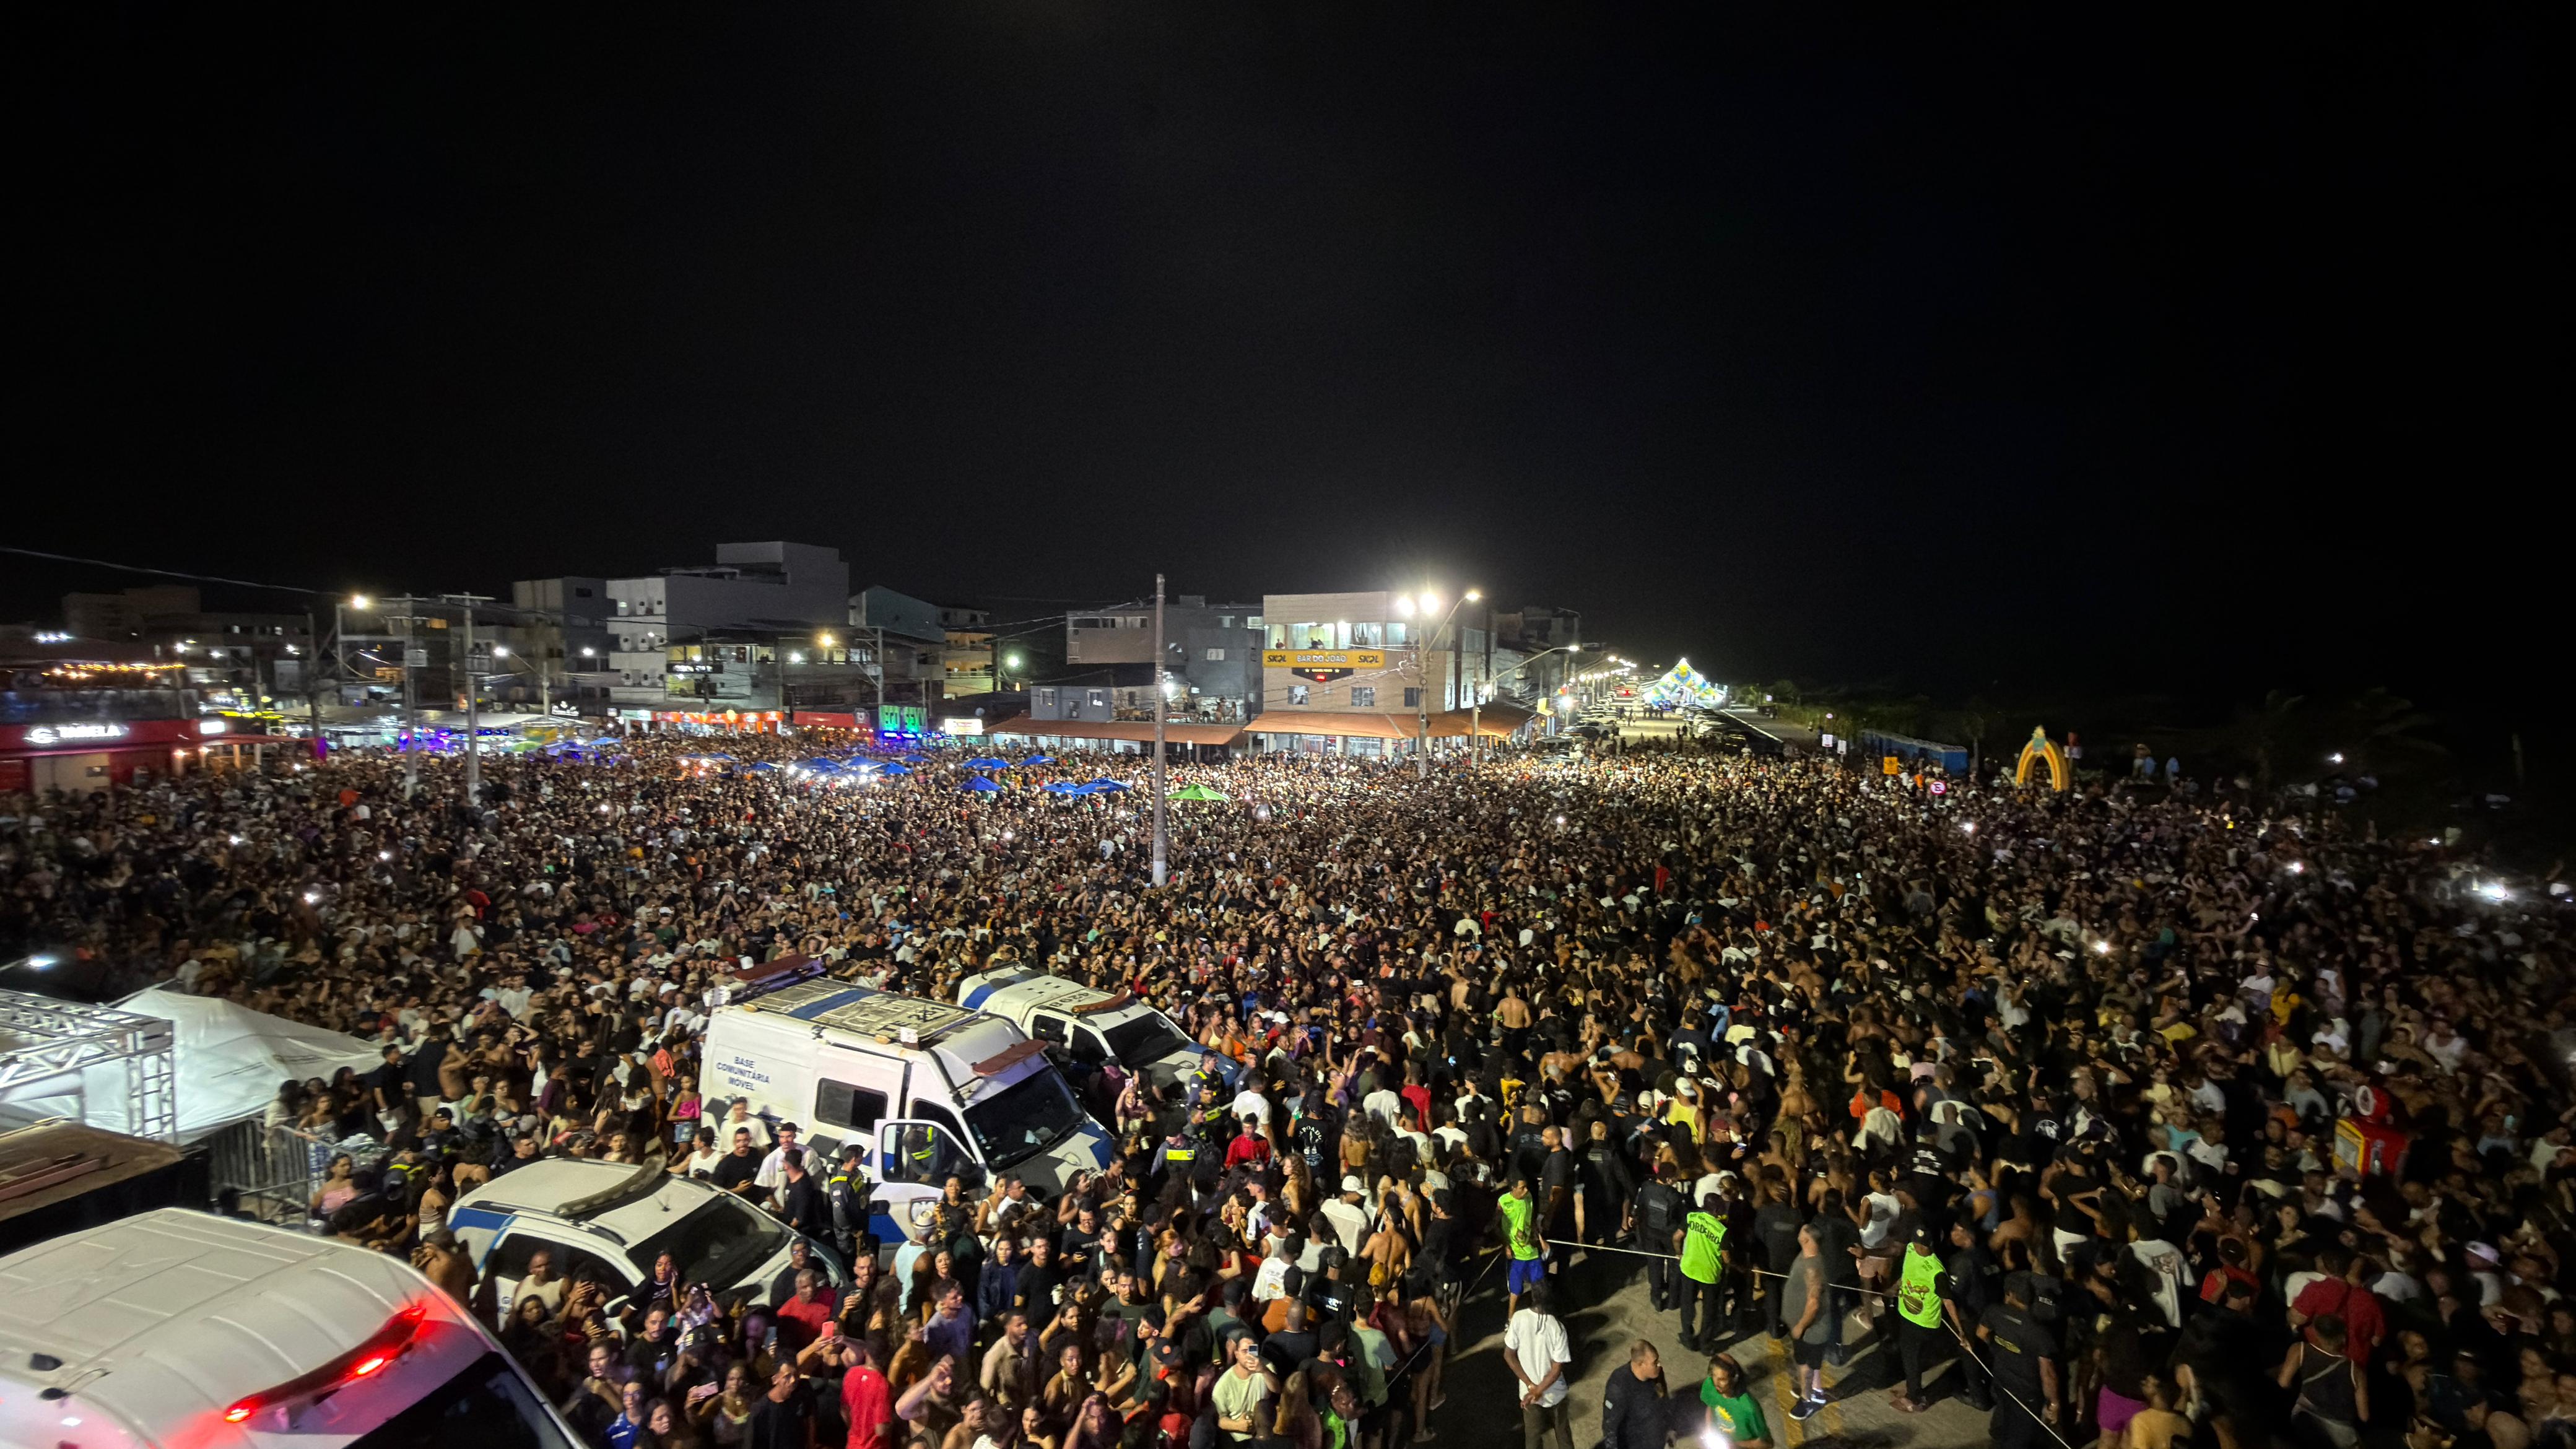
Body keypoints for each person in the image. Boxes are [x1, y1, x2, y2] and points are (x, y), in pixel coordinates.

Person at [1975, 1272, 2061, 1449]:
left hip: (2001, 1379)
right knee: (2020, 1437)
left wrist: (1998, 1349)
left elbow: (1981, 1333)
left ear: (2010, 1294)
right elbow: (2048, 1373)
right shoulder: (2039, 1332)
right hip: (2027, 1392)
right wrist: (2053, 1402)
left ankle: (1998, 1433)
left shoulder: (1994, 1312)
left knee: (2004, 1409)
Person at [1502, 1280, 1573, 1449]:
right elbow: (1556, 1370)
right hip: (1555, 1393)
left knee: (1533, 1439)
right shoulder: (1557, 1328)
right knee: (1563, 1435)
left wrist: (1531, 1387)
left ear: (1533, 1296)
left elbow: (1509, 1355)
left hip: (1528, 1395)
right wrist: (1539, 1390)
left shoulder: (1519, 1318)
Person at [2278, 1313, 2367, 1448]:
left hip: (2305, 1422)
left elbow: (2283, 1383)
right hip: (2341, 1435)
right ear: (2343, 1338)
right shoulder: (2356, 1371)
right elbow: (2364, 1416)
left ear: (2317, 1333)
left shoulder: (2300, 1350)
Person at [1888, 1223, 1947, 1413]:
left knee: (1911, 1359)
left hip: (1923, 1321)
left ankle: (1914, 1399)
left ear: (1931, 1245)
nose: (1919, 1248)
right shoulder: (1910, 1250)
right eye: (1916, 1242)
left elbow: (1948, 1300)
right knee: (1911, 1356)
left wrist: (1961, 1332)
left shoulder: (1936, 1270)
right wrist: (1895, 1287)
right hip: (1907, 1314)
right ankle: (1912, 1388)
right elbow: (1907, 1274)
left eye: (1923, 1245)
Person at [1782, 1221, 1834, 1421]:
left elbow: (1813, 1304)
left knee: (1805, 1366)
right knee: (1811, 1363)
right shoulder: (1808, 1255)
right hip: (1807, 1328)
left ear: (1806, 1239)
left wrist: (1800, 1327)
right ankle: (1815, 1391)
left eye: (1802, 1230)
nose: (1799, 1231)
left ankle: (1808, 1400)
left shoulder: (1812, 1267)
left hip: (1810, 1330)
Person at [1675, 1190, 1727, 1353]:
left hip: (1689, 1268)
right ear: (1717, 1210)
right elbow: (1726, 1257)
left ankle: (1687, 1336)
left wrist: (1679, 1254)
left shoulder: (1692, 1217)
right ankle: (1705, 1344)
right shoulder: (1721, 1230)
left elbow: (1677, 1237)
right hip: (1709, 1274)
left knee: (1687, 1303)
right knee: (1709, 1310)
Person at [1598, 1339, 1669, 1449]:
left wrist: (1669, 1428)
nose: (1659, 1364)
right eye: (1654, 1362)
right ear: (1641, 1364)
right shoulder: (1619, 1387)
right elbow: (1610, 1426)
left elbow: (1664, 1400)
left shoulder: (1657, 1374)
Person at [1697, 1353, 1770, 1449]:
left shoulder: (1749, 1407)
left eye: (1722, 1379)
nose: (1716, 1383)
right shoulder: (1710, 1386)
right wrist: (1708, 1429)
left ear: (1734, 1380)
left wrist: (1735, 1445)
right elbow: (1711, 1405)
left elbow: (1767, 1444)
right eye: (1714, 1376)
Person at [1498, 1175, 1547, 1313]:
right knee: (1516, 1290)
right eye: (1522, 1188)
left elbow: (1531, 1221)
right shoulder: (1503, 1201)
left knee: (1538, 1287)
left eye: (1526, 1187)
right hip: (1516, 1253)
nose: (1526, 1190)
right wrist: (1506, 1245)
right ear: (1513, 1188)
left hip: (1531, 1249)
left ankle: (1539, 1314)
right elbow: (1496, 1224)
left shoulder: (1529, 1197)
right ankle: (1510, 1318)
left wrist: (1541, 1240)